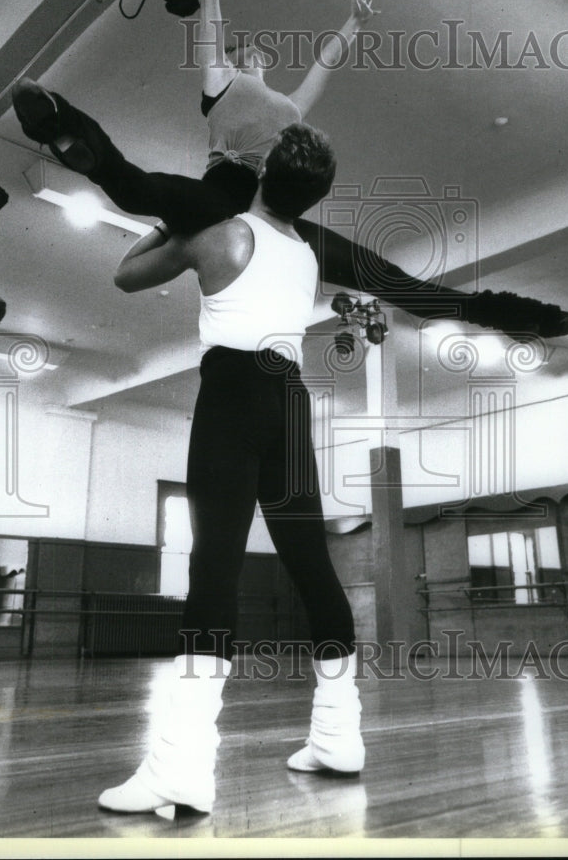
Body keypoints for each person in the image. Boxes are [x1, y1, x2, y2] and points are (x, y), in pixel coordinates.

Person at [11, 0, 568, 342]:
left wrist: (352, 25)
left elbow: (323, 66)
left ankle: (521, 316)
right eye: (246, 51)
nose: (254, 52)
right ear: (236, 61)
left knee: (394, 283)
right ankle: (58, 122)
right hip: (232, 201)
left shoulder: (289, 109)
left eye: (258, 53)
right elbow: (209, 0)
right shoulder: (219, 81)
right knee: (137, 188)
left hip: (270, 214)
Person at [97, 123, 364, 817]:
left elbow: (125, 276)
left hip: (233, 394)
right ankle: (339, 738)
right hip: (290, 397)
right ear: (311, 198)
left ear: (261, 174)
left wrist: (176, 214)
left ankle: (179, 769)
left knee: (213, 567)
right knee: (313, 567)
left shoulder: (220, 231)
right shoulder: (307, 256)